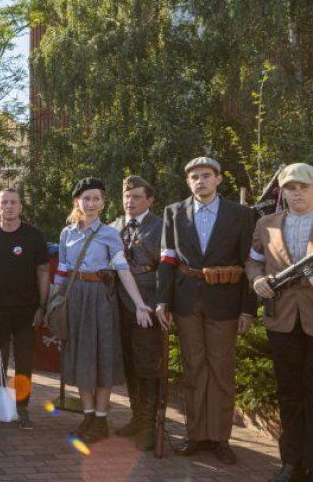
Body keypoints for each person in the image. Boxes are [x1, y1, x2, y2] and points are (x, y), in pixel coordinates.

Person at [156, 157, 257, 464]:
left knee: (222, 371)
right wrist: (163, 300)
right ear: (188, 183)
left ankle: (220, 438)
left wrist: (247, 310)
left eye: (206, 176)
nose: (200, 181)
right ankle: (197, 434)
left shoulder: (241, 214)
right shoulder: (174, 212)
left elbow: (249, 264)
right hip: (187, 302)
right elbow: (167, 260)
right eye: (194, 177)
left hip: (225, 302)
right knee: (193, 369)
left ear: (218, 179)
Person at [55, 178, 152, 445]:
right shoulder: (67, 234)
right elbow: (62, 271)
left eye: (97, 198)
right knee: (81, 357)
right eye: (86, 198)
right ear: (77, 201)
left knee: (102, 357)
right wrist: (52, 302)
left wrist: (139, 303)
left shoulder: (110, 233)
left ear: (103, 202)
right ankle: (88, 417)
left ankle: (100, 419)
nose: (91, 203)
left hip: (101, 300)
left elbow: (122, 269)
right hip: (75, 299)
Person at [247, 163, 313, 482]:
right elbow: (253, 261)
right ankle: (291, 463)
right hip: (282, 320)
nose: (296, 193)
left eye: (302, 187)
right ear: (281, 192)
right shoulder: (266, 224)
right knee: (288, 393)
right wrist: (257, 280)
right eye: (290, 188)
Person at [0, 188, 50, 430]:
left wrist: (43, 305)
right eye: (4, 202)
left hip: (26, 310)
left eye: (13, 202)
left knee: (23, 362)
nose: (8, 206)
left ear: (20, 206)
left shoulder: (34, 235)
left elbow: (42, 271)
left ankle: (21, 408)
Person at [109, 176, 164, 450]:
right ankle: (136, 417)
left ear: (150, 200)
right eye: (126, 196)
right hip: (118, 304)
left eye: (137, 197)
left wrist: (164, 303)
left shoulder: (162, 226)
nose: (130, 202)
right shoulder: (114, 227)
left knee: (147, 364)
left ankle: (148, 426)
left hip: (148, 303)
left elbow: (168, 267)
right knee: (129, 364)